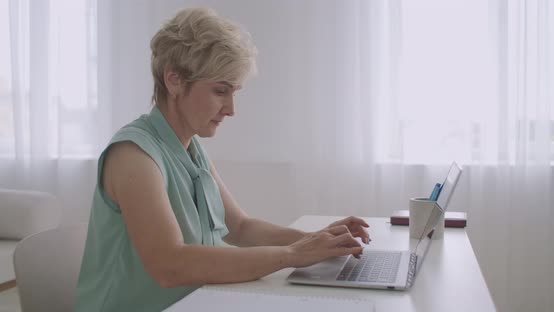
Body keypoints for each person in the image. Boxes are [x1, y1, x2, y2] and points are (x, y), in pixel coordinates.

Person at [75, 7, 370, 312]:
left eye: (234, 92)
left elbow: (240, 227)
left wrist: (317, 242)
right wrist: (292, 254)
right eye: (220, 91)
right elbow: (169, 265)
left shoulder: (190, 147)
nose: (231, 109)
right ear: (174, 80)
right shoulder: (133, 156)